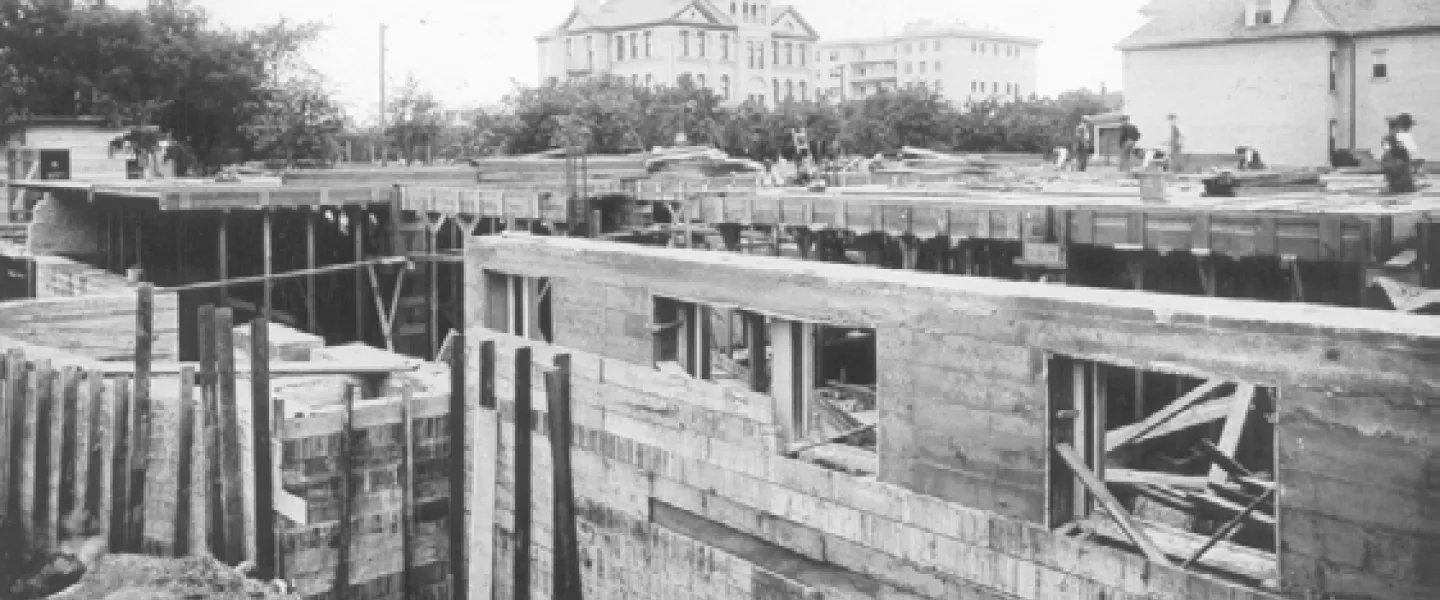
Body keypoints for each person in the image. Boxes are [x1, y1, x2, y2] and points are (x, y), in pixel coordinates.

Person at [1382, 116, 1416, 193]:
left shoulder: (1398, 140)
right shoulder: (1390, 140)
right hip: (1399, 179)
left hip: (1402, 179)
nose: (1408, 129)